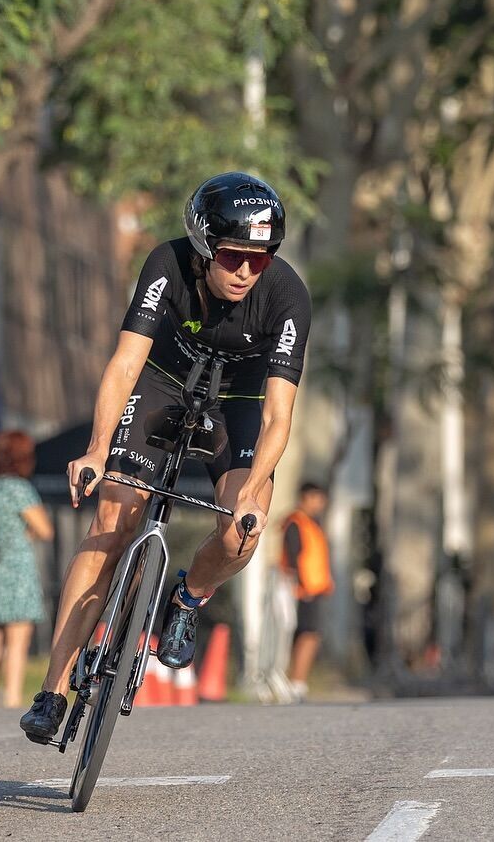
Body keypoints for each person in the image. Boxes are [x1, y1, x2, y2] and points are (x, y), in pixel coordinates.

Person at [21, 172, 311, 741]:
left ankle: (187, 597)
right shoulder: (166, 264)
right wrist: (96, 450)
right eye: (233, 257)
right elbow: (126, 364)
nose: (246, 271)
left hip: (239, 403)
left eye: (260, 258)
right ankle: (52, 691)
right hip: (162, 383)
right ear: (203, 248)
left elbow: (279, 416)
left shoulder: (287, 296)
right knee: (112, 520)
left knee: (242, 534)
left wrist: (251, 495)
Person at [0, 430, 53, 708]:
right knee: (17, 638)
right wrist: (24, 535)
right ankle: (11, 698)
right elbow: (45, 529)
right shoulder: (19, 489)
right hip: (15, 568)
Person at [279, 481, 332, 702]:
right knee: (306, 634)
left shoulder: (312, 523)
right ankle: (295, 682)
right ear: (304, 497)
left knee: (310, 634)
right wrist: (301, 584)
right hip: (303, 589)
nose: (319, 503)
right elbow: (294, 555)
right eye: (315, 498)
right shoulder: (295, 522)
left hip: (314, 587)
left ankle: (298, 681)